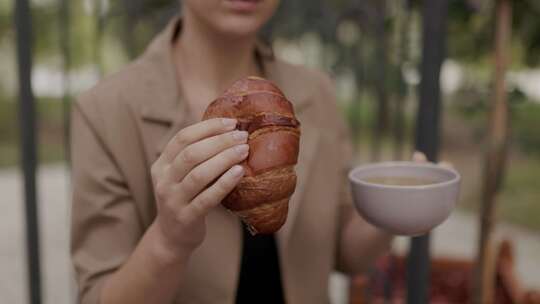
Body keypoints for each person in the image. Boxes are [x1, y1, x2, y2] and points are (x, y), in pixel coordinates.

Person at [70, 1, 394, 303]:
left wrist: (394, 210)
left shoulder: (317, 91)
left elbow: (346, 253)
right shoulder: (104, 111)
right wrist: (168, 241)